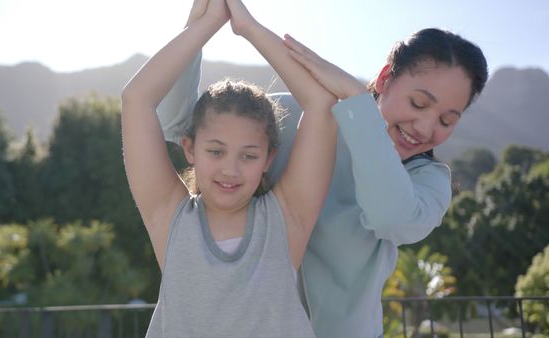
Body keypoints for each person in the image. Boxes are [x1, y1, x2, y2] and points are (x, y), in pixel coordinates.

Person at [157, 3, 489, 337]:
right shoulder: (299, 119)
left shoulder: (429, 179)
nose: (426, 127)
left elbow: (391, 217)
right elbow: (178, 125)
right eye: (418, 103)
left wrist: (358, 101)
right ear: (386, 78)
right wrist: (201, 21)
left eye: (448, 120)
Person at [120, 0, 338, 336]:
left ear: (268, 160)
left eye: (249, 156)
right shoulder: (170, 218)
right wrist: (209, 21)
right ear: (190, 148)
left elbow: (321, 103)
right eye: (216, 151)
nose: (230, 169)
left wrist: (247, 27)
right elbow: (136, 98)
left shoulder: (286, 219)